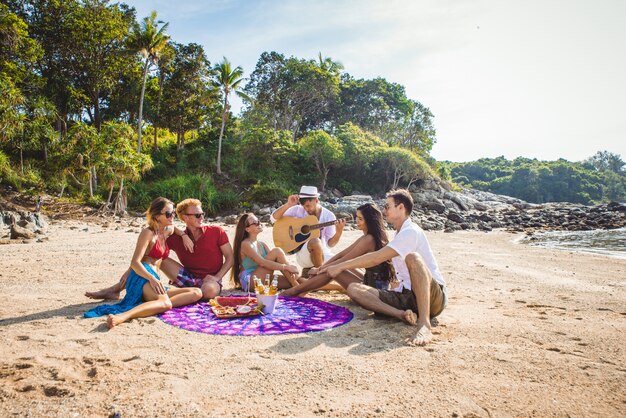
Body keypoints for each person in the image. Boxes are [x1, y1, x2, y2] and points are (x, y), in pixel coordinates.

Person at [321, 189, 448, 346]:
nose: (384, 210)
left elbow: (376, 258)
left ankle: (424, 324)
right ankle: (401, 314)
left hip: (432, 297)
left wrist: (340, 266)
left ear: (401, 207)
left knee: (413, 258)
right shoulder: (399, 234)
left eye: (387, 207)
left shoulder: (411, 231)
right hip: (407, 297)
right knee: (354, 289)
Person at [84, 197, 203, 328]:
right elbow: (135, 262)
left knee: (196, 292)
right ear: (157, 216)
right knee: (166, 304)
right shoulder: (148, 233)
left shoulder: (167, 230)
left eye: (173, 212)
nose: (172, 216)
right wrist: (151, 278)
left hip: (153, 280)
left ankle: (151, 305)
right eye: (169, 214)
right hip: (144, 277)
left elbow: (174, 228)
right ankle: (123, 316)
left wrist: (184, 235)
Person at [85, 198, 234, 301]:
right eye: (197, 215)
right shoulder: (174, 237)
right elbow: (149, 252)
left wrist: (217, 277)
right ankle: (116, 289)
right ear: (184, 218)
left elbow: (230, 258)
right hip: (187, 276)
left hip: (211, 280)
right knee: (157, 258)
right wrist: (131, 269)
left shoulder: (216, 231)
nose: (201, 217)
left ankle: (161, 295)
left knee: (208, 291)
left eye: (202, 214)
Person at [282, 202, 392, 297]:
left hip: (375, 289)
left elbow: (344, 260)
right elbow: (341, 255)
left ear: (369, 221)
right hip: (371, 280)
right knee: (335, 267)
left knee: (334, 270)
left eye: (360, 219)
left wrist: (321, 269)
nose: (356, 221)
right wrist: (320, 268)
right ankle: (303, 289)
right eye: (357, 217)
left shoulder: (369, 239)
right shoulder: (367, 237)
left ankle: (296, 290)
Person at [270, 185, 346, 271]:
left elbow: (330, 244)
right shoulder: (297, 210)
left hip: (323, 253)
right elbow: (273, 218)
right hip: (303, 256)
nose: (306, 209)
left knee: (344, 262)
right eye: (304, 206)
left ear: (316, 200)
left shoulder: (329, 216)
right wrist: (288, 204)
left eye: (308, 206)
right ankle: (319, 274)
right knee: (315, 241)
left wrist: (339, 232)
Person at [232, 213, 300, 292]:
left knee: (295, 280)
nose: (259, 224)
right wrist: (287, 267)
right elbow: (262, 263)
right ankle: (297, 289)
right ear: (247, 229)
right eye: (255, 223)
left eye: (259, 221)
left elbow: (276, 260)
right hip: (250, 281)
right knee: (277, 251)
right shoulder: (245, 244)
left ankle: (301, 286)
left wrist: (290, 271)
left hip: (263, 277)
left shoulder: (262, 245)